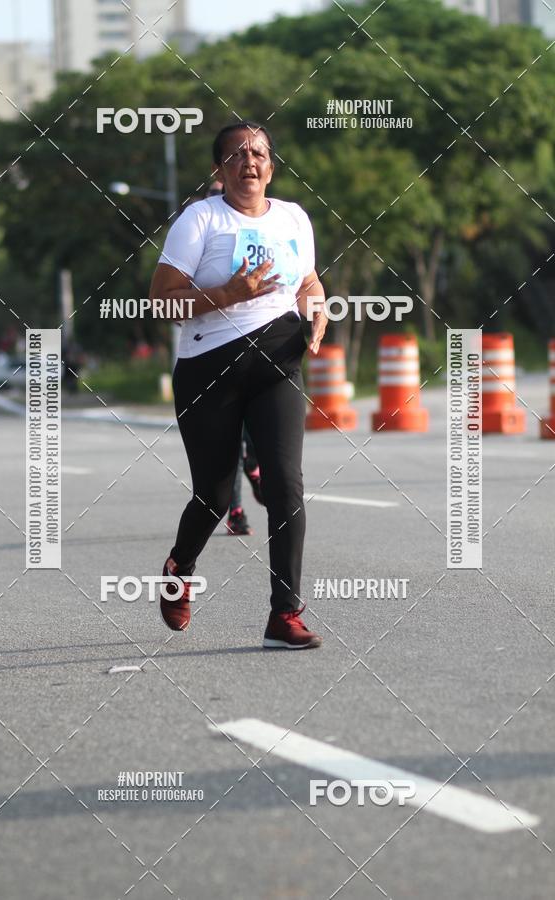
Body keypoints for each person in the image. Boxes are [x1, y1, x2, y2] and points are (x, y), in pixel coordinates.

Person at [149, 120, 328, 649]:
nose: (250, 162)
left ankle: (284, 615)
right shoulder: (199, 220)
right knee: (215, 493)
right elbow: (162, 298)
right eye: (237, 154)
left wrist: (316, 315)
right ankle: (180, 566)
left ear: (271, 166)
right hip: (211, 367)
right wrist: (227, 293)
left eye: (260, 154)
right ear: (219, 169)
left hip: (279, 359)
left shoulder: (295, 218)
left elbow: (308, 282)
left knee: (285, 486)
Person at [204, 178, 262, 538]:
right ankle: (236, 512)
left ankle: (255, 467)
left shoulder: (257, 233)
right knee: (227, 446)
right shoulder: (199, 241)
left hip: (257, 351)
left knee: (253, 436)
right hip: (212, 355)